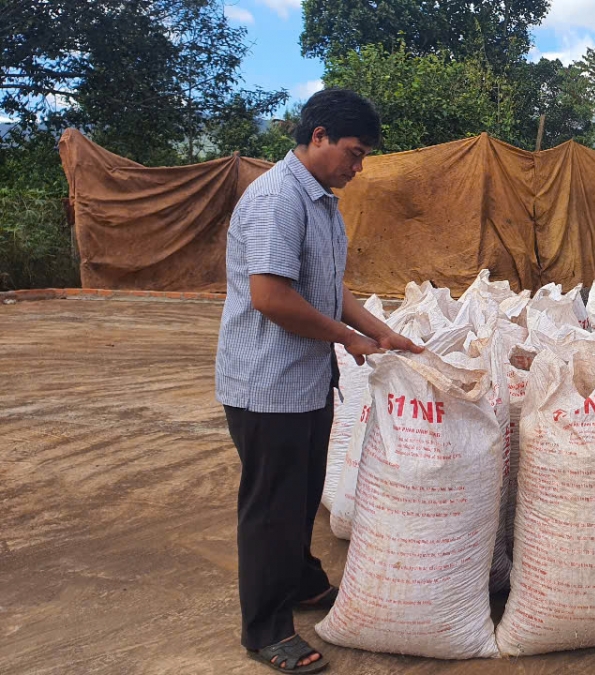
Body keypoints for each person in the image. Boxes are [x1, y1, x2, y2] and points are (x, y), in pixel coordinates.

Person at [215, 88, 421, 674]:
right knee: (271, 508)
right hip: (265, 384)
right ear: (320, 136)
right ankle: (265, 629)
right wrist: (347, 339)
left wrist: (384, 332)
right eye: (353, 154)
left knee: (302, 493)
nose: (357, 168)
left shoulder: (319, 201)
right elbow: (271, 298)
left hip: (303, 380)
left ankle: (302, 582)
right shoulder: (277, 199)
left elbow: (329, 288)